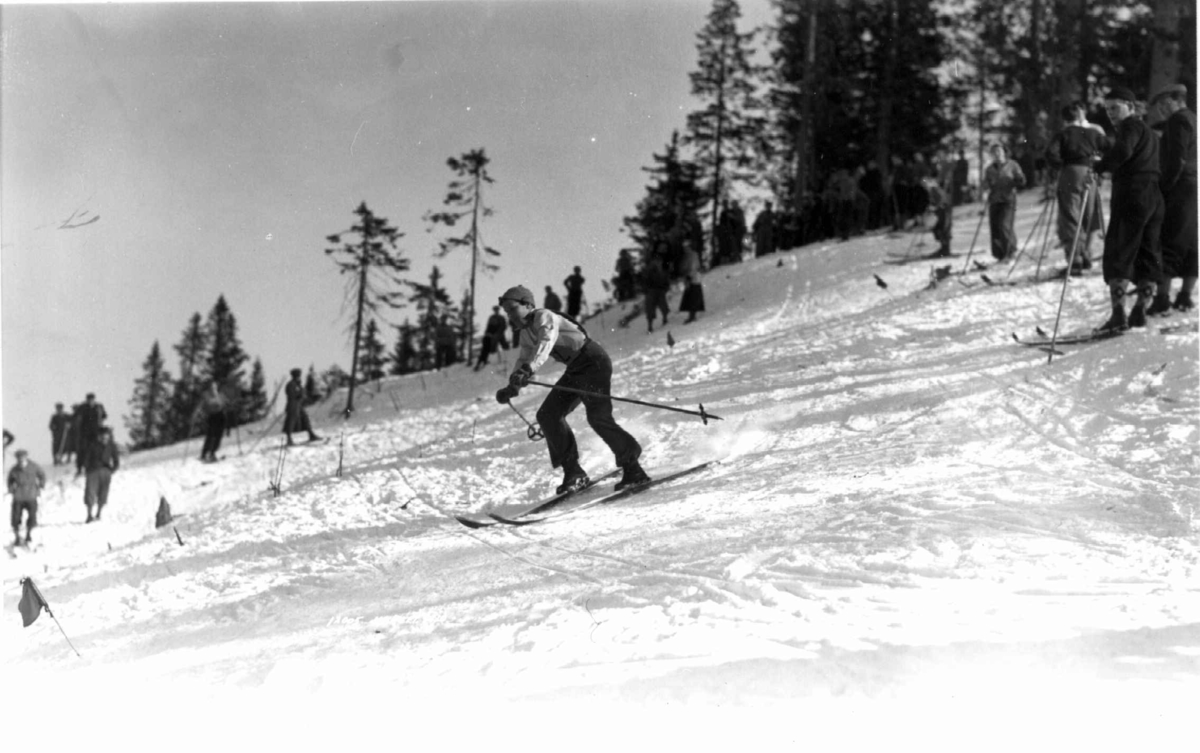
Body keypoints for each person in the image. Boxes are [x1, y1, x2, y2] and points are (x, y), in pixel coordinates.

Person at [493, 285, 648, 494]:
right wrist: (512, 386)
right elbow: (524, 357)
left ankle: (633, 468)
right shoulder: (525, 333)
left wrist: (528, 370)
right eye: (507, 311)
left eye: (512, 308)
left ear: (528, 305)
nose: (509, 315)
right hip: (575, 369)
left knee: (598, 417)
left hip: (593, 362)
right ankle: (574, 473)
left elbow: (546, 344)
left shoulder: (544, 317)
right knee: (548, 415)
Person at [1094, 86, 1165, 332]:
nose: (1111, 114)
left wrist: (1100, 166)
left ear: (1131, 107)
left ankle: (1118, 316)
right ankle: (1139, 311)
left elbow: (1123, 151)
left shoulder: (1130, 126)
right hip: (1153, 196)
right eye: (1107, 109)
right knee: (1148, 252)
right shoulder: (1150, 133)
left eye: (1116, 108)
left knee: (1120, 251)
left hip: (1132, 194)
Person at [1147, 83, 1197, 314]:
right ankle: (1185, 296)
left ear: (1174, 100)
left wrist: (1164, 187)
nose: (1160, 111)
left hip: (1180, 186)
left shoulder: (1178, 120)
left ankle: (1162, 298)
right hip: (1193, 185)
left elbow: (1176, 159)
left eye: (1162, 104)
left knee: (1168, 239)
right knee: (1191, 241)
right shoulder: (1194, 117)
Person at [1047, 101, 1108, 275]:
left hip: (1070, 172)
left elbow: (1051, 154)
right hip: (1091, 173)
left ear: (1065, 119)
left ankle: (1075, 260)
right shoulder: (1092, 132)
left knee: (1070, 216)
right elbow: (1109, 146)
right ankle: (1086, 255)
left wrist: (1060, 165)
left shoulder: (1063, 133)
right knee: (1089, 213)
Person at [983, 143, 1027, 260]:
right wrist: (986, 186)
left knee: (1004, 225)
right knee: (995, 228)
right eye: (994, 152)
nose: (997, 154)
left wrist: (1017, 180)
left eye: (999, 151)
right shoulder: (989, 169)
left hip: (1008, 200)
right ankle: (1000, 254)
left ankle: (1011, 251)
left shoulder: (1012, 165)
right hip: (994, 200)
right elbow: (985, 184)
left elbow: (1021, 180)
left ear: (1004, 152)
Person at [8, 449, 45, 547]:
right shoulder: (14, 469)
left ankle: (29, 534)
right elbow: (10, 481)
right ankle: (17, 536)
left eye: (22, 458)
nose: (21, 461)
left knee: (32, 517)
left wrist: (41, 485)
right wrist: (11, 488)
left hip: (31, 496)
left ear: (26, 458)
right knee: (15, 518)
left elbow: (42, 475)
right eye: (19, 459)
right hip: (18, 497)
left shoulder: (34, 467)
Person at [83, 426, 119, 523]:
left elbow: (116, 460)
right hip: (93, 471)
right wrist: (87, 469)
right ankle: (89, 515)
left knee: (103, 493)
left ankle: (99, 512)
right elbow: (86, 458)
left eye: (106, 437)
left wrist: (111, 470)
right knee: (90, 492)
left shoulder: (111, 446)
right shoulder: (92, 445)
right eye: (103, 437)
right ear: (99, 436)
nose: (104, 439)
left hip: (105, 472)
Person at [284, 368, 322, 446]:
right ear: (294, 376)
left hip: (299, 406)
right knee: (291, 422)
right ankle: (289, 439)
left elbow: (303, 393)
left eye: (299, 375)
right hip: (292, 406)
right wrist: (299, 395)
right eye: (297, 375)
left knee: (305, 419)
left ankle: (311, 435)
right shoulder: (291, 384)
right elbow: (291, 395)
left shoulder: (298, 384)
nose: (299, 377)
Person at [74, 393, 107, 476]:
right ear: (87, 400)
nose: (90, 401)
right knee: (83, 450)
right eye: (89, 399)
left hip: (96, 431)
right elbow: (76, 417)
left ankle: (94, 466)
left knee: (96, 449)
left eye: (92, 399)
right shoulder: (82, 407)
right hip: (84, 433)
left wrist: (101, 416)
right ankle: (80, 468)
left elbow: (104, 416)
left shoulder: (98, 407)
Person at [195, 382, 229, 462]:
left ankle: (212, 453)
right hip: (212, 417)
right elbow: (200, 405)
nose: (213, 389)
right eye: (211, 387)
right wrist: (196, 413)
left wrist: (231, 406)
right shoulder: (206, 396)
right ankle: (204, 453)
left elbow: (227, 403)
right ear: (209, 388)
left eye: (214, 387)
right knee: (210, 435)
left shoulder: (220, 395)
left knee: (218, 436)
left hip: (221, 417)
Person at [641, 252, 671, 333]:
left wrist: (665, 288)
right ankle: (650, 326)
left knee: (663, 306)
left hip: (659, 291)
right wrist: (646, 290)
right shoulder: (649, 270)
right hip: (652, 291)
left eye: (659, 260)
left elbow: (666, 279)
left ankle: (664, 319)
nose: (657, 262)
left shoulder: (662, 270)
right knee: (650, 309)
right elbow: (644, 280)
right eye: (656, 260)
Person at [475, 305, 510, 371]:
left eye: (497, 310)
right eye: (495, 310)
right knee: (491, 348)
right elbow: (488, 326)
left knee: (505, 347)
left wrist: (497, 334)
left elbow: (503, 327)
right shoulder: (491, 318)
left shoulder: (501, 318)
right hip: (492, 336)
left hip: (500, 335)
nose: (496, 311)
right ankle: (490, 362)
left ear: (498, 310)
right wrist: (487, 333)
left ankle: (506, 361)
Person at [678, 241, 705, 323]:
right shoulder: (687, 256)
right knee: (690, 298)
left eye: (687, 247)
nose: (685, 249)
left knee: (693, 298)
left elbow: (694, 267)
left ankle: (692, 316)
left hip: (693, 279)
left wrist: (689, 276)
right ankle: (691, 315)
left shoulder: (693, 255)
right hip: (689, 279)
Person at [925, 177, 953, 257]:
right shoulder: (934, 189)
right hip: (942, 211)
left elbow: (941, 201)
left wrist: (935, 207)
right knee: (940, 229)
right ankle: (944, 248)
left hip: (943, 211)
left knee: (942, 229)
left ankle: (945, 249)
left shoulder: (935, 189)